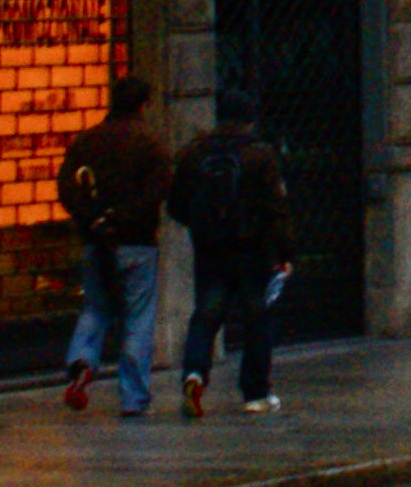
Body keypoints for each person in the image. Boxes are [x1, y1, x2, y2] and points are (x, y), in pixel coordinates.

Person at [167, 85, 291, 417]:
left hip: (211, 251)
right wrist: (284, 252)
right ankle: (255, 393)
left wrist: (202, 228)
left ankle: (194, 374)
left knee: (206, 316)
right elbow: (275, 208)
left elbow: (176, 204)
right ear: (250, 119)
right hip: (253, 252)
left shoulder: (195, 153)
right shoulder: (260, 154)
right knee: (256, 319)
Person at [55, 73, 169, 416]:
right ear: (143, 105)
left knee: (95, 306)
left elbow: (66, 187)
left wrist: (93, 218)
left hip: (95, 241)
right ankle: (133, 397)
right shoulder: (152, 144)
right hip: (137, 243)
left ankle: (81, 362)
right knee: (138, 316)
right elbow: (157, 192)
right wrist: (122, 217)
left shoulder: (87, 141)